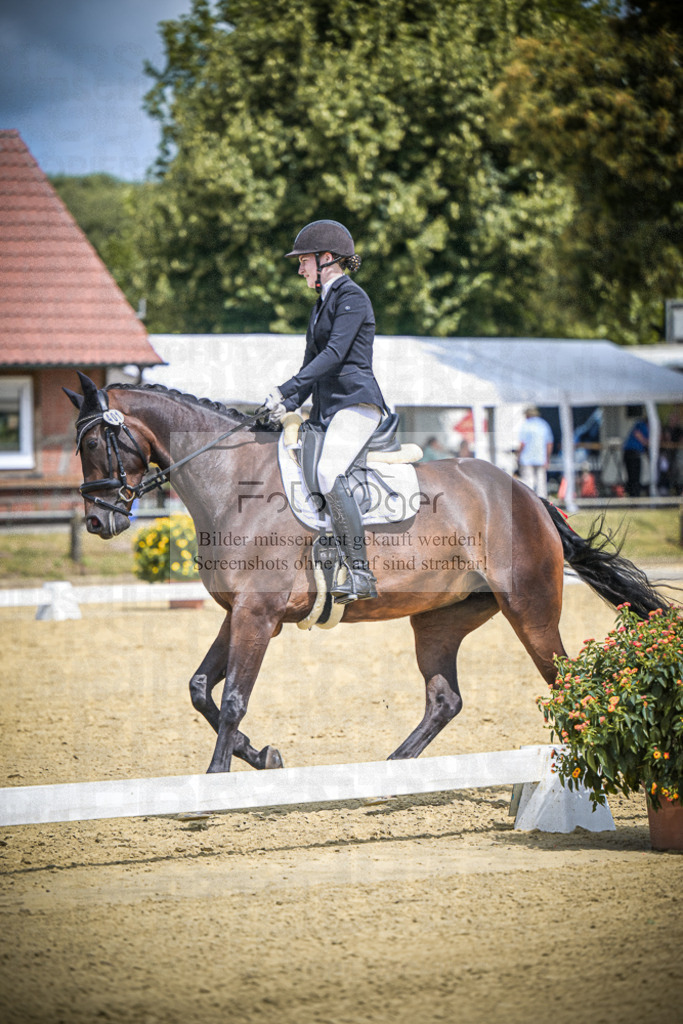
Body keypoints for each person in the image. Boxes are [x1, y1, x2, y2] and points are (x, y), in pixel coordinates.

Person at [264, 220, 387, 603]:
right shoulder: (319, 306)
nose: (300, 269)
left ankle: (361, 574)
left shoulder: (353, 298)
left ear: (327, 258)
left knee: (328, 471)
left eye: (304, 261)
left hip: (355, 403)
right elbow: (310, 364)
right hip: (325, 410)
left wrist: (285, 388)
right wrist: (286, 403)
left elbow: (334, 355)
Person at [517, 406, 554, 499]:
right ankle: (543, 503)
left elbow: (522, 443)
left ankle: (528, 501)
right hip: (541, 458)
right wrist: (547, 458)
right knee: (541, 483)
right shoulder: (544, 425)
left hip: (527, 458)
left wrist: (518, 455)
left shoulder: (526, 425)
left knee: (528, 482)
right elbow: (549, 443)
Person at [622, 416, 649, 497]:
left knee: (631, 477)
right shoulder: (643, 426)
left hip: (628, 452)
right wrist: (646, 442)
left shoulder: (638, 424)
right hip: (633, 453)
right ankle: (634, 496)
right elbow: (637, 434)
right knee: (635, 477)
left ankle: (632, 495)